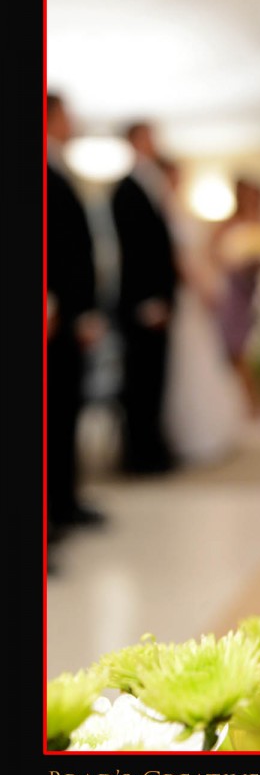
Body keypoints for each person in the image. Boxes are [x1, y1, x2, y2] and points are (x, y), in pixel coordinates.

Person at [46, 93, 106, 547]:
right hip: (53, 314)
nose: (73, 123)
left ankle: (63, 502)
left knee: (66, 412)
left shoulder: (59, 167)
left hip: (67, 315)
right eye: (66, 115)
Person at [157, 158, 243, 466]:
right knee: (187, 363)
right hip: (184, 296)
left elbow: (199, 254)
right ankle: (189, 435)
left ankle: (209, 432)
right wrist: (203, 288)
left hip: (194, 297)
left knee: (204, 359)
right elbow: (180, 260)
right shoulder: (163, 212)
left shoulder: (180, 211)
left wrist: (211, 283)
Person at [110, 123, 178, 474]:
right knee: (141, 382)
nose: (155, 143)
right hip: (143, 304)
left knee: (154, 382)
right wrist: (149, 300)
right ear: (135, 141)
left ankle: (152, 449)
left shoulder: (151, 184)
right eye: (149, 137)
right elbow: (136, 252)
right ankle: (140, 456)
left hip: (157, 301)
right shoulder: (126, 189)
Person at [208, 179, 260, 417]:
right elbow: (213, 252)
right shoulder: (227, 224)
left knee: (256, 349)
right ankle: (250, 402)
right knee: (237, 349)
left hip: (259, 291)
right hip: (234, 291)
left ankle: (258, 400)